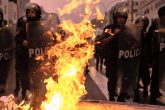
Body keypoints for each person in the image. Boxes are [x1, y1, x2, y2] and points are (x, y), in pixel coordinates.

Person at [100, 7, 128, 101]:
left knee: (125, 78)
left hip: (124, 58)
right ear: (116, 18)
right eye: (119, 17)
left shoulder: (128, 29)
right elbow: (103, 42)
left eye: (123, 17)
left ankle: (121, 96)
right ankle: (111, 97)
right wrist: (114, 34)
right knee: (112, 79)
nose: (121, 19)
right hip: (112, 58)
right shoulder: (109, 28)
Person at [149, 5, 165, 104]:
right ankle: (153, 97)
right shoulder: (155, 26)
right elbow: (147, 38)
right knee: (156, 77)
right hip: (158, 55)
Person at [135, 16, 151, 99]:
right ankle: (136, 93)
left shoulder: (148, 34)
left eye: (143, 23)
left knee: (146, 77)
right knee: (135, 78)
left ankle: (145, 89)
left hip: (144, 59)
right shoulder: (134, 34)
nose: (141, 25)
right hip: (136, 59)